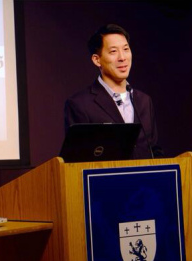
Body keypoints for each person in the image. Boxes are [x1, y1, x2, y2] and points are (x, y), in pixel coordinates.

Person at [64, 23, 163, 159]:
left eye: (126, 49)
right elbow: (76, 159)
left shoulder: (144, 100)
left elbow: (153, 150)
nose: (122, 57)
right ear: (97, 60)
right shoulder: (79, 104)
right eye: (113, 51)